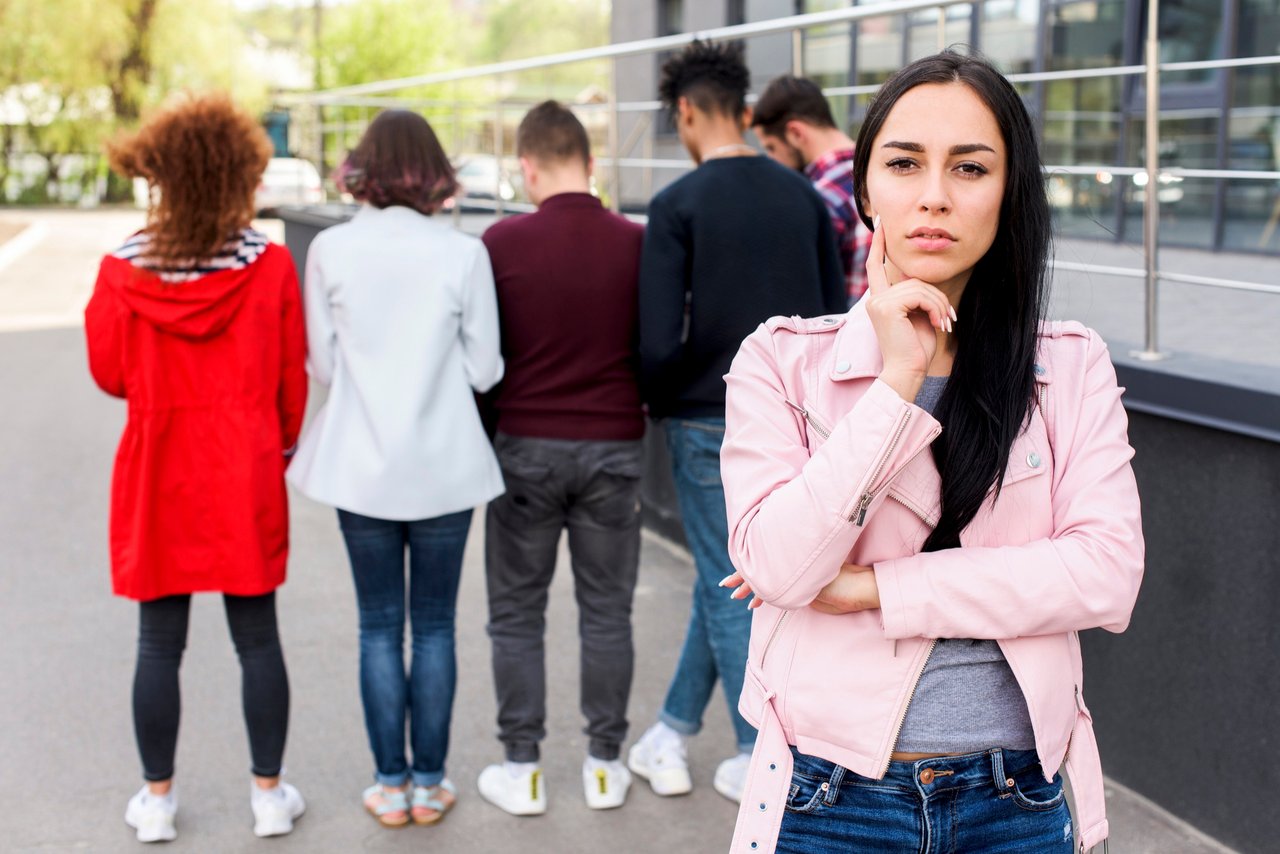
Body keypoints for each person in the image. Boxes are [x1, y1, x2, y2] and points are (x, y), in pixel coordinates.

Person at [718, 50, 1145, 853]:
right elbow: (780, 569)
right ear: (866, 186)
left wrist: (878, 589)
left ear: (1008, 192)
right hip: (831, 797)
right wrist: (898, 383)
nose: (935, 197)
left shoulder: (1070, 362)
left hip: (1017, 796)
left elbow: (1104, 575)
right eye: (905, 163)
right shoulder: (781, 361)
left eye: (971, 167)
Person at [85, 93, 308, 843]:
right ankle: (269, 797)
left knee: (158, 643)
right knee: (258, 639)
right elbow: (291, 380)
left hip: (159, 466)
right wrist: (274, 448)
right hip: (242, 463)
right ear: (237, 175)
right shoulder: (270, 266)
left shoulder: (122, 270)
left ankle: (157, 802)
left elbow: (110, 373)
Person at [630, 39, 847, 805]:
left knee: (732, 584)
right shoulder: (804, 199)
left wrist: (667, 395)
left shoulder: (676, 206)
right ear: (745, 111)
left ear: (685, 111)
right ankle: (672, 728)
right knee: (731, 577)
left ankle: (760, 752)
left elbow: (656, 343)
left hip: (705, 420)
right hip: (800, 420)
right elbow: (834, 318)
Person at [286, 110, 503, 829]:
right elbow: (483, 370)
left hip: (361, 466)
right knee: (436, 626)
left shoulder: (330, 251)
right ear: (434, 168)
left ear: (364, 167)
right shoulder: (463, 254)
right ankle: (432, 783)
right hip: (445, 466)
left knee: (379, 626)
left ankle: (390, 785)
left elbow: (320, 365)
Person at [474, 100, 647, 816]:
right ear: (590, 161)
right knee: (607, 612)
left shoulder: (499, 243)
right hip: (614, 445)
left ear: (527, 166)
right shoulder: (636, 243)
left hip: (524, 447)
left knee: (516, 614)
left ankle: (523, 770)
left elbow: (483, 360)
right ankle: (605, 766)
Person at [752, 74, 873, 304]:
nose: (771, 159)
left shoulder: (818, 197)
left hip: (840, 334)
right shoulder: (885, 171)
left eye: (771, 148)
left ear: (796, 133)